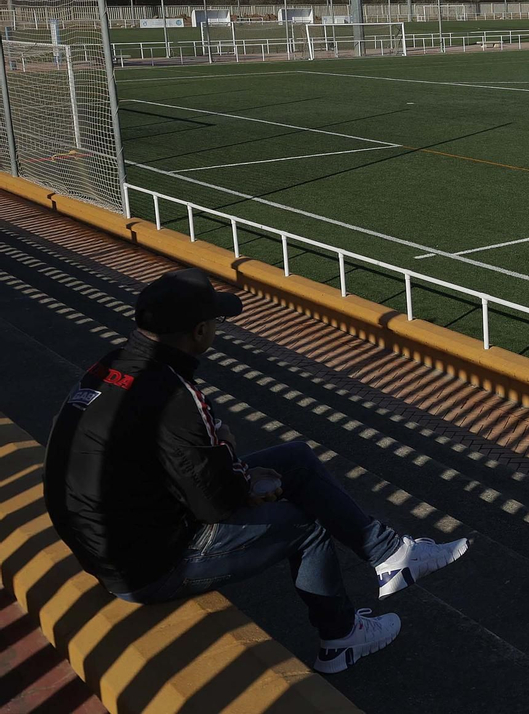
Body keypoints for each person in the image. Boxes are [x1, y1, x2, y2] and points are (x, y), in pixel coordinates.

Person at [43, 268, 469, 675]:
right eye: (216, 321)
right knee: (305, 524)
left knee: (295, 458)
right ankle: (341, 639)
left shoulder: (112, 365)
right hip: (145, 568)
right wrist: (234, 462)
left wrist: (236, 474)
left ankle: (390, 554)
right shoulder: (175, 393)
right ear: (199, 331)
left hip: (110, 542)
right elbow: (214, 505)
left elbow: (163, 467)